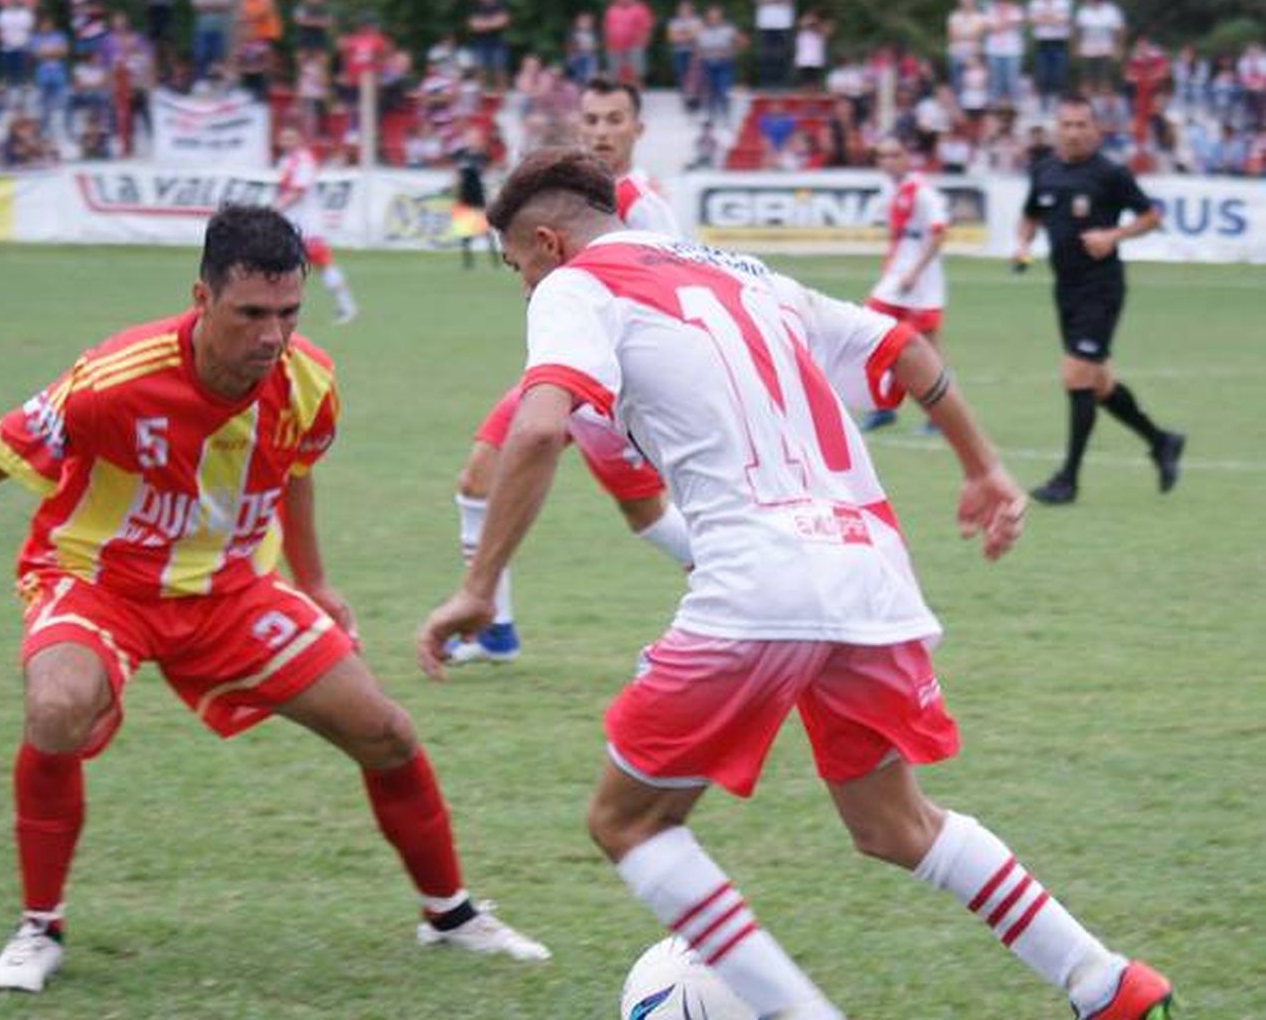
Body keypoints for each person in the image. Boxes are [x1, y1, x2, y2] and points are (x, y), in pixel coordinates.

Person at [417, 147, 1176, 1020]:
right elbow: (905, 349)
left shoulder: (573, 286)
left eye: (516, 268)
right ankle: (1106, 982)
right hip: (868, 570)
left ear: (547, 242)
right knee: (895, 823)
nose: (523, 288)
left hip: (755, 579)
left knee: (630, 821)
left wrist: (479, 586)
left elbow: (540, 427)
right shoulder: (746, 274)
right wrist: (985, 469)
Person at [0, 206, 549, 994]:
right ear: (201, 296)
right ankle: (38, 927)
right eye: (250, 313)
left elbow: (294, 470)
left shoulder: (308, 380)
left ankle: (450, 914)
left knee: (386, 731)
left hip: (228, 590)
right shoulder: (112, 379)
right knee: (56, 708)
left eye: (288, 313)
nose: (271, 335)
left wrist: (315, 579)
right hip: (98, 580)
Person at [443, 77, 687, 667]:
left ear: (638, 128)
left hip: (613, 382)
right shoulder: (580, 198)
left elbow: (671, 284)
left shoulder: (641, 201)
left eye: (614, 120)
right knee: (477, 479)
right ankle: (494, 629)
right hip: (567, 369)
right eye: (593, 120)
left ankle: (737, 585)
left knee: (647, 513)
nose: (602, 131)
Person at [1014, 95, 1184, 505]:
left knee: (1076, 376)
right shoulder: (1045, 170)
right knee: (1100, 384)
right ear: (1057, 127)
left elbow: (1150, 216)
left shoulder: (1109, 173)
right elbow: (1031, 214)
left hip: (1101, 287)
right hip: (1066, 289)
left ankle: (1068, 480)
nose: (1073, 132)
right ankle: (1162, 441)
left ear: (1095, 129)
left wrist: (1112, 236)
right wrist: (1021, 244)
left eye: (1081, 125)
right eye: (1067, 124)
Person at [862, 136, 949, 433]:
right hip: (897, 280)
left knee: (929, 347)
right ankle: (882, 406)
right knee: (871, 332)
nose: (888, 161)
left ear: (906, 157)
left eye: (894, 154)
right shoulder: (892, 189)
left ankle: (940, 415)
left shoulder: (922, 191)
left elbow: (939, 233)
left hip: (921, 282)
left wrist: (915, 270)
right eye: (882, 156)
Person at [275, 125, 358, 325]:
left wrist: (274, 209)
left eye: (290, 138)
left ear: (298, 140)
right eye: (283, 138)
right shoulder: (285, 161)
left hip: (307, 226)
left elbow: (297, 192)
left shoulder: (303, 160)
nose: (286, 142)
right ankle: (283, 310)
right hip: (290, 224)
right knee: (282, 267)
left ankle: (347, 306)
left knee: (322, 264)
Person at [451, 125, 499, 270]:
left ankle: (495, 261)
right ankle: (468, 262)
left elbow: (489, 171)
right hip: (464, 197)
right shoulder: (460, 154)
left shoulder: (482, 156)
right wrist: (454, 189)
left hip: (477, 196)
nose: (472, 140)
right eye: (469, 137)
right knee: (465, 232)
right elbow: (456, 175)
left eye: (475, 137)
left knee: (485, 231)